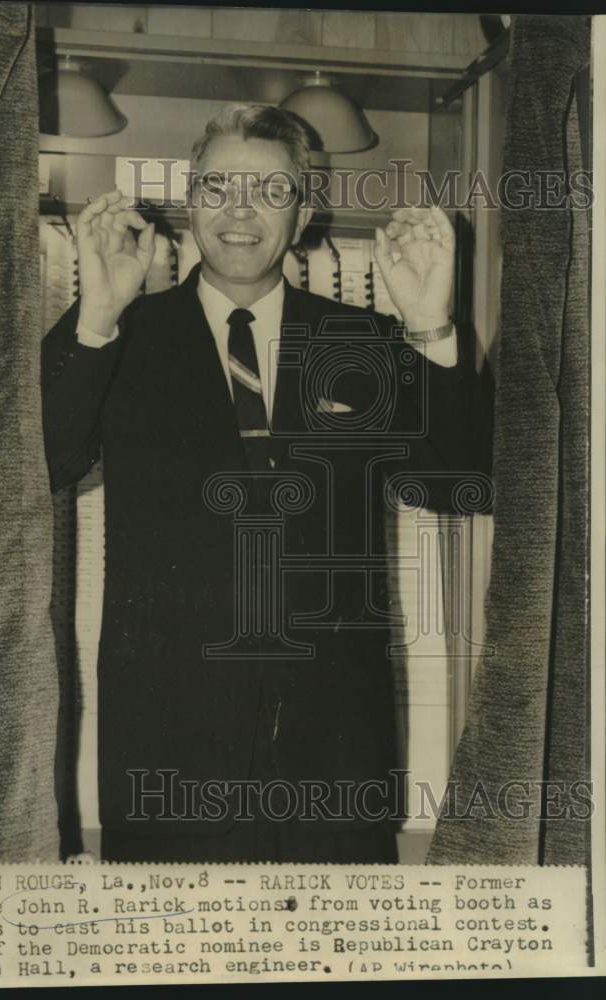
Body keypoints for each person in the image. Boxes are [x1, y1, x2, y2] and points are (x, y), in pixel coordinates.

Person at [42, 104, 482, 863]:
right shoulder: (119, 331)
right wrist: (96, 315)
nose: (239, 211)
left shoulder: (365, 340)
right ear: (189, 202)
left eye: (270, 192)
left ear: (305, 213)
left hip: (335, 753)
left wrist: (431, 330)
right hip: (166, 752)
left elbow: (459, 481)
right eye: (217, 187)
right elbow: (40, 466)